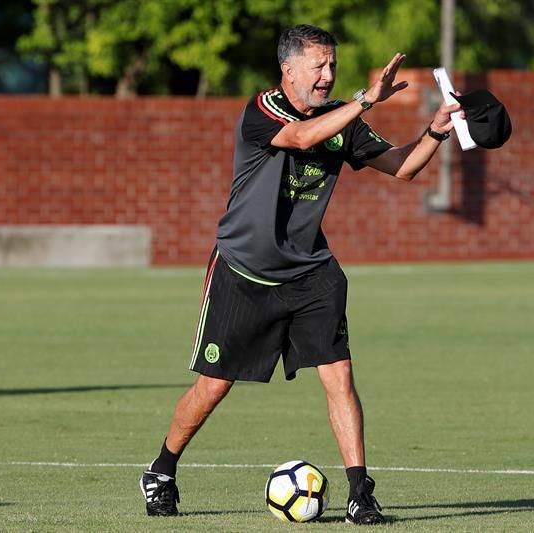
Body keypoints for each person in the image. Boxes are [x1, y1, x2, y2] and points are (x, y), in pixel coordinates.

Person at [140, 23, 461, 525]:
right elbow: (300, 136)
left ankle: (361, 493)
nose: (328, 75)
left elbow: (403, 167)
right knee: (213, 386)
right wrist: (365, 100)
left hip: (312, 273)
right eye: (319, 65)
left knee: (340, 378)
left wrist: (436, 130)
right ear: (288, 70)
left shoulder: (342, 120)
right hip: (244, 272)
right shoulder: (263, 109)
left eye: (333, 65)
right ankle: (161, 470)